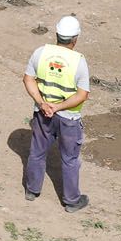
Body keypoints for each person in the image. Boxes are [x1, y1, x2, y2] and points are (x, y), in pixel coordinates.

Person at [23, 15, 91, 211]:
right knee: (69, 158)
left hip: (42, 114)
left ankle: (32, 190)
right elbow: (82, 94)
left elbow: (28, 79)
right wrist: (59, 107)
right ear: (75, 38)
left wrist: (42, 103)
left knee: (37, 152)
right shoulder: (78, 61)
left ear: (57, 34)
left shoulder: (41, 53)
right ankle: (71, 200)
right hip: (68, 118)